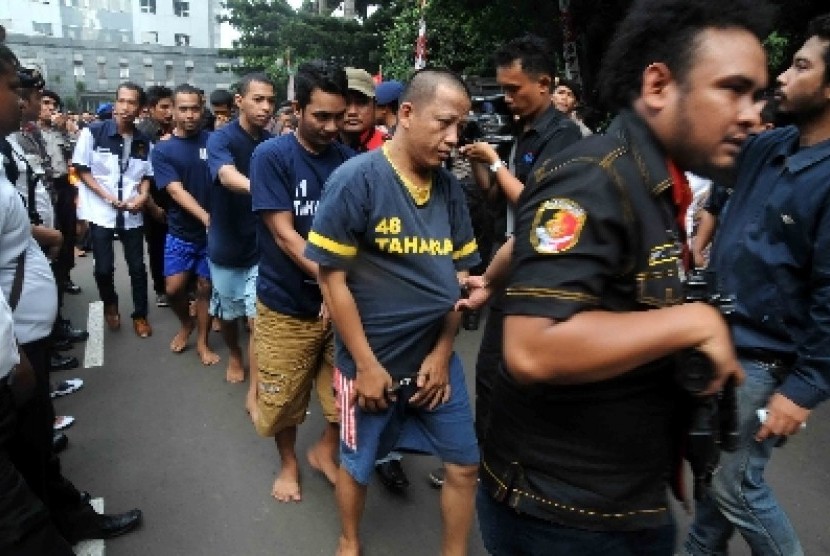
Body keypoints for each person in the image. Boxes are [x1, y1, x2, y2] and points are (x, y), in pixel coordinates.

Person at [462, 0, 770, 553]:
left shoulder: (657, 186)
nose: (752, 114)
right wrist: (692, 323)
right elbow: (534, 348)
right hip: (565, 516)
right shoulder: (594, 178)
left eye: (758, 95)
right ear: (658, 85)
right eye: (733, 89)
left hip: (627, 502)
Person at [306, 68, 481, 556]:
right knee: (357, 465)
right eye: (444, 123)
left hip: (433, 368)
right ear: (406, 114)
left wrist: (443, 352)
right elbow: (331, 277)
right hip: (366, 368)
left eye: (460, 128)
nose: (452, 139)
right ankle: (349, 541)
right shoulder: (356, 180)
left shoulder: (449, 191)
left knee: (464, 464)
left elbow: (459, 279)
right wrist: (364, 365)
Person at [684, 14, 830, 556]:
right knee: (711, 481)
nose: (784, 78)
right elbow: (711, 161)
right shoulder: (774, 147)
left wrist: (803, 390)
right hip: (720, 342)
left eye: (801, 65)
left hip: (765, 362)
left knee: (735, 488)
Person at [449, 34, 582, 489]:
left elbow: (542, 213)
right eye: (502, 90)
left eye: (514, 89)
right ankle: (486, 462)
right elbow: (493, 198)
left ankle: (503, 469)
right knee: (492, 374)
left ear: (544, 84)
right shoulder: (520, 128)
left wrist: (496, 163)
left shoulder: (562, 137)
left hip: (541, 276)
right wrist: (482, 159)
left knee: (516, 375)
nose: (507, 99)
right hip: (510, 264)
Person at [250, 60, 353, 502]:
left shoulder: (350, 163)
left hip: (341, 307)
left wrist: (341, 292)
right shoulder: (270, 157)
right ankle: (289, 464)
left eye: (338, 116)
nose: (332, 127)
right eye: (321, 117)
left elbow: (356, 235)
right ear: (297, 109)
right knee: (283, 400)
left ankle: (324, 451)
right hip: (285, 306)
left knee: (343, 399)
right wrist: (334, 284)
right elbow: (286, 236)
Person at [206, 73, 275, 389]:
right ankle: (234, 353)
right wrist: (263, 190)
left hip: (263, 245)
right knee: (230, 317)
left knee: (256, 319)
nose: (265, 107)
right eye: (258, 99)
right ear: (239, 101)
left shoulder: (272, 143)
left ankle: (256, 386)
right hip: (228, 245)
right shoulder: (221, 139)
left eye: (270, 101)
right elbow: (225, 175)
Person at [72, 82, 154, 338]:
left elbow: (145, 175)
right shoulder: (93, 133)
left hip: (132, 213)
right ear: (115, 102)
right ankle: (110, 304)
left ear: (140, 109)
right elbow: (82, 170)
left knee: (137, 268)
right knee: (103, 268)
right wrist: (106, 197)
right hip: (101, 213)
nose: (126, 108)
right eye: (122, 101)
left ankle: (140, 315)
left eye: (132, 103)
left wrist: (143, 195)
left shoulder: (143, 141)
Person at [150, 84, 220, 366]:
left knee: (205, 288)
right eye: (184, 109)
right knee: (174, 289)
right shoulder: (163, 150)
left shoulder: (215, 141)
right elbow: (175, 191)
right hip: (181, 231)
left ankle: (203, 342)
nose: (190, 114)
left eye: (195, 108)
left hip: (213, 236)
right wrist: (206, 218)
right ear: (173, 111)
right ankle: (186, 323)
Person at [137, 85, 174, 308]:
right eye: (164, 107)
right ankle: (161, 288)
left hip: (174, 197)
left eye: (171, 106)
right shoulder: (144, 134)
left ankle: (178, 285)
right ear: (151, 108)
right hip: (153, 199)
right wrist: (152, 206)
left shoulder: (175, 130)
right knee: (157, 245)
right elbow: (140, 174)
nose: (169, 112)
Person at [340, 67, 385, 153]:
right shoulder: (319, 148)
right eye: (346, 102)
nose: (352, 112)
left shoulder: (389, 149)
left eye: (361, 103)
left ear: (375, 106)